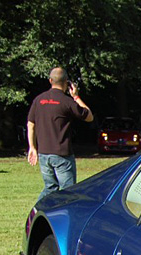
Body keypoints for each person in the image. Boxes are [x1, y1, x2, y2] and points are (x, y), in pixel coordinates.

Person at [26, 67, 94, 201]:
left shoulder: (38, 100)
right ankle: (64, 217)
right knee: (68, 191)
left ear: (50, 80)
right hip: (62, 155)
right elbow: (89, 116)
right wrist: (76, 96)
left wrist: (32, 147)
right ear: (67, 83)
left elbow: (30, 124)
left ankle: (37, 213)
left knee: (50, 188)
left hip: (44, 153)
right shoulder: (67, 101)